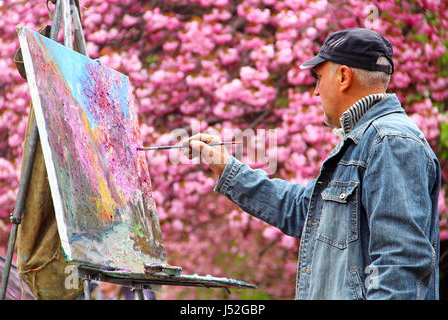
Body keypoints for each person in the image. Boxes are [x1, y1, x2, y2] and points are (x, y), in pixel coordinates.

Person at [187, 28, 441, 300]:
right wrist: (228, 169)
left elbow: (399, 267)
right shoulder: (362, 142)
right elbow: (303, 210)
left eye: (319, 78)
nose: (316, 91)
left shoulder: (390, 142)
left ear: (344, 76)